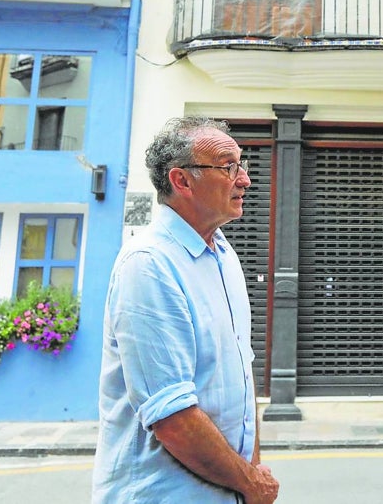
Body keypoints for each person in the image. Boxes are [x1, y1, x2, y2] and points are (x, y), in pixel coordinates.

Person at [92, 116, 279, 504]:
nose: (244, 179)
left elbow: (242, 374)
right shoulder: (149, 264)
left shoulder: (224, 255)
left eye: (241, 165)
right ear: (182, 181)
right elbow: (172, 417)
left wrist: (250, 474)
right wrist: (250, 483)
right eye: (229, 167)